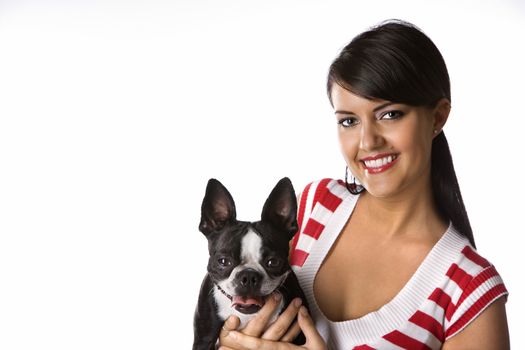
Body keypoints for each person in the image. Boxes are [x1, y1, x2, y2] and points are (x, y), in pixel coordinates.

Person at [217, 19, 510, 349]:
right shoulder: (316, 206)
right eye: (349, 121)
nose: (367, 141)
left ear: (438, 117)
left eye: (389, 115)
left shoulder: (469, 291)